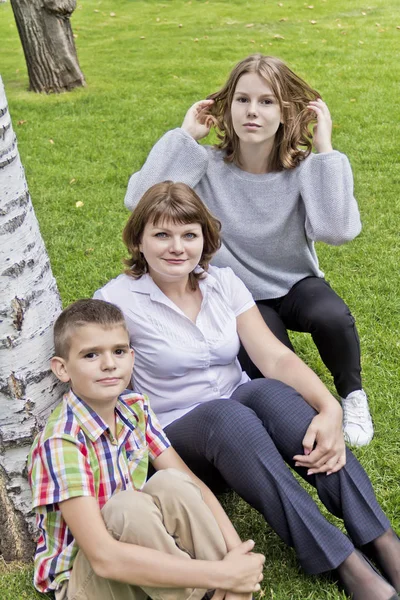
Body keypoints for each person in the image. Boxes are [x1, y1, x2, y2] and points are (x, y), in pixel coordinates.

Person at [95, 181, 400, 600]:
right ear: (139, 240)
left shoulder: (223, 283)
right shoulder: (117, 301)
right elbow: (114, 398)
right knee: (228, 414)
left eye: (189, 234)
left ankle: (382, 540)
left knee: (266, 392)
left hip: (244, 429)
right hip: (175, 441)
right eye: (161, 235)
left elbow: (274, 358)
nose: (176, 247)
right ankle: (342, 560)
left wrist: (329, 408)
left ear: (205, 238)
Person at [123, 54, 373, 447]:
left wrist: (325, 150)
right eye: (242, 100)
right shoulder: (203, 166)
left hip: (292, 282)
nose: (252, 112)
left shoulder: (305, 168)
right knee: (269, 362)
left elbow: (337, 230)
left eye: (266, 101)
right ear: (227, 107)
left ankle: (353, 397)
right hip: (235, 295)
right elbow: (140, 199)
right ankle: (306, 415)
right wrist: (184, 138)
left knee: (331, 316)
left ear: (286, 112)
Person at [27, 298, 265, 600]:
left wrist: (237, 557)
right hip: (85, 579)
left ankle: (230, 590)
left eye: (118, 351)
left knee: (171, 483)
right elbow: (104, 556)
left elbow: (193, 486)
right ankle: (212, 587)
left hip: (137, 551)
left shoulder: (134, 408)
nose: (109, 364)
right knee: (128, 506)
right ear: (62, 369)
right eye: (90, 355)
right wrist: (220, 573)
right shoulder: (62, 441)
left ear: (132, 356)